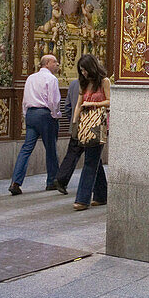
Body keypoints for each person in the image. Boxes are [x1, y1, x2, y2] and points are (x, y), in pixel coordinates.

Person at [54, 54, 109, 208]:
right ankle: (101, 195)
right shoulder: (83, 84)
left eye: (85, 70)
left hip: (98, 125)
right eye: (81, 71)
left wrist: (93, 104)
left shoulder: (104, 82)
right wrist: (74, 124)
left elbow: (110, 101)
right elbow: (78, 104)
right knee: (94, 159)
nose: (83, 73)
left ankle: (82, 199)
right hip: (84, 125)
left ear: (92, 67)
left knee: (90, 162)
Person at [9, 54, 62, 195]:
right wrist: (55, 115)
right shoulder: (51, 79)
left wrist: (26, 115)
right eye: (55, 62)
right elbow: (54, 101)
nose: (57, 64)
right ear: (48, 63)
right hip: (45, 115)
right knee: (51, 149)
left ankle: (15, 182)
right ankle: (52, 181)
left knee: (26, 148)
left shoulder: (30, 78)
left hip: (31, 114)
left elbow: (25, 100)